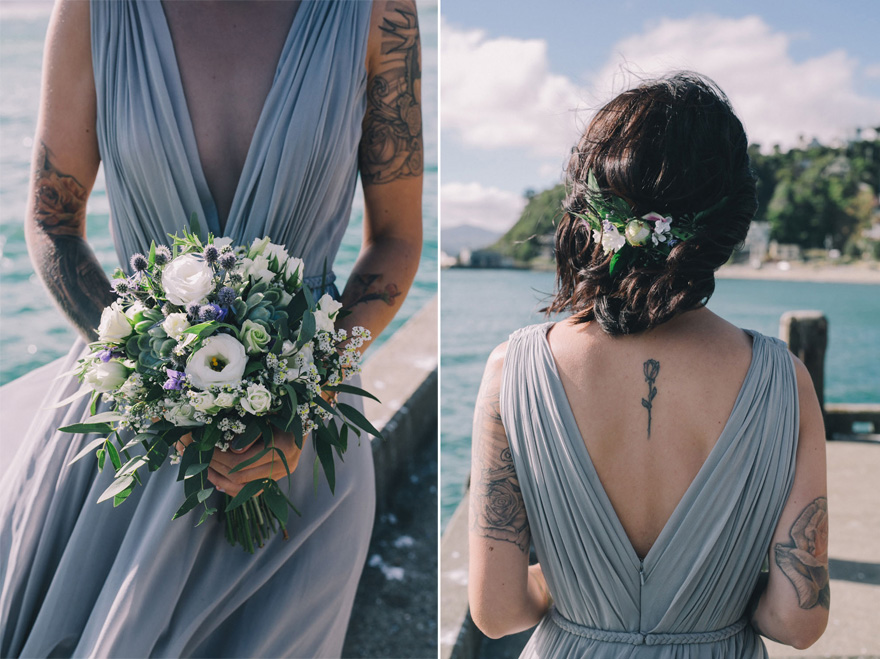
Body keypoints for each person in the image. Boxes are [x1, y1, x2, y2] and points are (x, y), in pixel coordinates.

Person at [0, 0, 423, 656]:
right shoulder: (96, 9)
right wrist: (149, 375)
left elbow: (395, 241)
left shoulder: (375, 13)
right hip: (132, 442)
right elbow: (54, 222)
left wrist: (308, 394)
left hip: (302, 452)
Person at [468, 73, 828, 656]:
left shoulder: (514, 369)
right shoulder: (784, 379)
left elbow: (497, 610)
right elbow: (798, 620)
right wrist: (721, 598)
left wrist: (571, 587)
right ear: (727, 222)